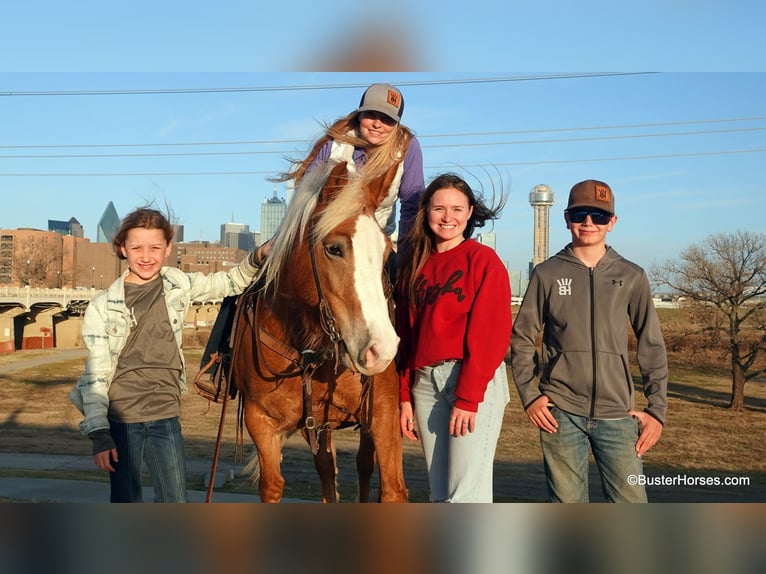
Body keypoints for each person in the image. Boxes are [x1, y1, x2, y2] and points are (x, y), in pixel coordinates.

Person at [195, 82, 425, 398]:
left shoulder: (407, 148)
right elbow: (305, 192)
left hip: (372, 242)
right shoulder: (334, 143)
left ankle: (407, 381)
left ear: (397, 123)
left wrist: (408, 256)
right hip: (318, 235)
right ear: (359, 114)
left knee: (407, 296)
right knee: (253, 281)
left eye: (387, 119)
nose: (378, 124)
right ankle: (221, 360)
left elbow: (412, 203)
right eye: (371, 115)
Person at [68, 206, 263, 503]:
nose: (146, 256)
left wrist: (258, 257)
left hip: (166, 416)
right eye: (136, 248)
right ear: (123, 249)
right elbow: (95, 375)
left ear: (168, 248)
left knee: (176, 501)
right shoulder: (102, 305)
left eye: (155, 247)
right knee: (126, 501)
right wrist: (99, 434)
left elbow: (229, 283)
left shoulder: (177, 284)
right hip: (122, 418)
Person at [510, 179, 668, 503]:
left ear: (612, 222)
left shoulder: (632, 275)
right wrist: (530, 395)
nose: (588, 223)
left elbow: (651, 343)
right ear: (567, 218)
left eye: (598, 216)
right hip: (561, 411)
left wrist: (657, 410)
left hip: (617, 414)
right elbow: (522, 337)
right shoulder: (547, 273)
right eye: (581, 214)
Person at [396, 173, 511, 503]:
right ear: (426, 212)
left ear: (470, 212)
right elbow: (406, 336)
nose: (448, 217)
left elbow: (491, 334)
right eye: (439, 208)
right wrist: (405, 396)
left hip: (469, 380)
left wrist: (468, 397)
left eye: (458, 209)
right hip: (425, 385)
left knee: (465, 497)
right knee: (440, 494)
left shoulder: (482, 260)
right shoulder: (415, 265)